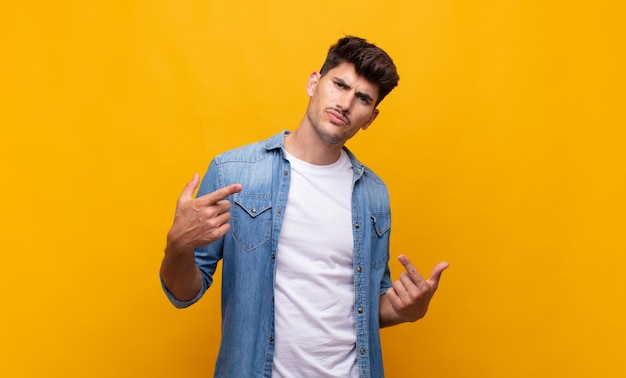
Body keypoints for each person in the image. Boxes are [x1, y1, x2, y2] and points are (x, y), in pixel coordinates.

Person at [160, 36, 449, 377]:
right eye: (339, 84)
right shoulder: (233, 173)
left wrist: (405, 310)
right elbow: (182, 294)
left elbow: (363, 308)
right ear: (314, 83)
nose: (344, 103)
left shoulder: (374, 194)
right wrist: (178, 246)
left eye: (362, 99)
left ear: (370, 117)